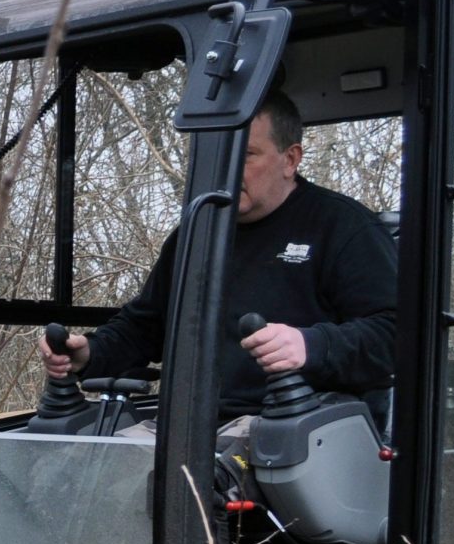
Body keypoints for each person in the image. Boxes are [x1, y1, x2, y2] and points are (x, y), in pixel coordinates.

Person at [45, 93, 395, 416]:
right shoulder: (197, 232)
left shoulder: (343, 227)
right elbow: (146, 326)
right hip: (191, 426)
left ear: (290, 159)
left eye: (246, 155)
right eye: (220, 154)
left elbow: (396, 337)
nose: (227, 168)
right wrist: (90, 352)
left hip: (297, 427)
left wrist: (312, 345)